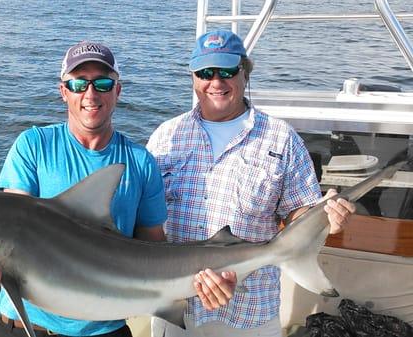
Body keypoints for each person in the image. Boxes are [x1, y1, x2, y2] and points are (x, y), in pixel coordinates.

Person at [0, 40, 237, 337]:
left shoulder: (139, 162)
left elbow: (155, 251)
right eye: (79, 84)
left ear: (118, 91)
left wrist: (204, 282)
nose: (90, 94)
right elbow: (7, 232)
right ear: (63, 91)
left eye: (102, 83)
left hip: (106, 331)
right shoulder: (33, 146)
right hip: (25, 327)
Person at [146, 30, 356, 337]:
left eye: (228, 71)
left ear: (246, 73)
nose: (216, 83)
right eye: (206, 72)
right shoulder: (166, 136)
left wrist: (324, 219)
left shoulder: (280, 138)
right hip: (176, 312)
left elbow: (297, 214)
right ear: (193, 77)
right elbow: (144, 217)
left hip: (250, 314)